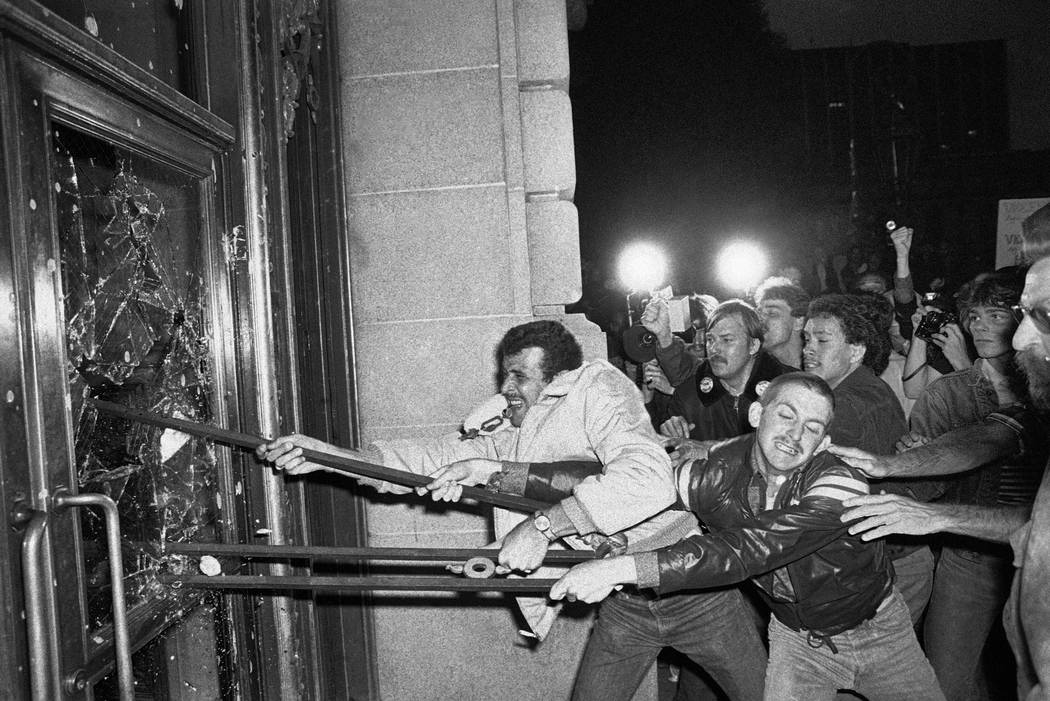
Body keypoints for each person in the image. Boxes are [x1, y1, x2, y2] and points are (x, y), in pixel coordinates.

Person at [257, 320, 767, 699]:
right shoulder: (504, 427)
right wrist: (330, 457)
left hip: (697, 589)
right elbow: (421, 461)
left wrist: (543, 527)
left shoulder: (599, 389)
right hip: (624, 602)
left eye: (519, 376)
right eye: (505, 375)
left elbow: (649, 476)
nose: (505, 389)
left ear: (558, 381)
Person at [549, 372, 946, 701]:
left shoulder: (841, 482)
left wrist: (622, 569)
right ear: (757, 413)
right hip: (797, 642)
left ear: (824, 442)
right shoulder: (713, 472)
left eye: (812, 428)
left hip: (881, 633)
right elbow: (629, 485)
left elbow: (755, 547)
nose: (794, 434)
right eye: (786, 415)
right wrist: (515, 494)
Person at [645, 299, 791, 468]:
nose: (714, 348)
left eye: (727, 340)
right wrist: (670, 437)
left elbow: (786, 450)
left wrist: (708, 449)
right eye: (710, 339)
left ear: (753, 345)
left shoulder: (789, 390)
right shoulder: (689, 396)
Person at [753, 276, 809, 369]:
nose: (760, 320)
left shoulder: (822, 372)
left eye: (772, 314)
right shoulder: (752, 371)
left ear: (799, 322)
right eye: (758, 314)